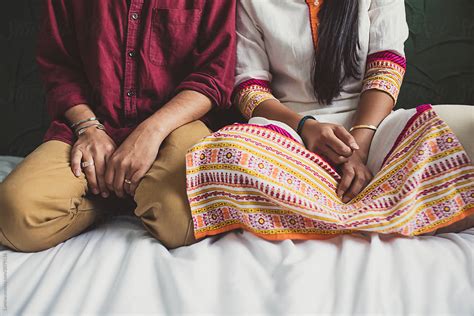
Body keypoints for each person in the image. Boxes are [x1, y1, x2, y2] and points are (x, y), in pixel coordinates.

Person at [186, 0, 474, 241]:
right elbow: (249, 88)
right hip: (291, 137)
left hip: (374, 128)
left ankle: (314, 213)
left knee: (450, 133)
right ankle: (388, 211)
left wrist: (358, 147)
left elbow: (386, 66)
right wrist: (307, 127)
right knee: (224, 153)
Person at [0, 0, 236, 252]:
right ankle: (114, 199)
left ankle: (128, 192)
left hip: (175, 124)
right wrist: (88, 128)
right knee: (13, 215)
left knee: (180, 221)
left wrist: (151, 132)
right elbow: (58, 66)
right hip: (92, 125)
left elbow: (215, 76)